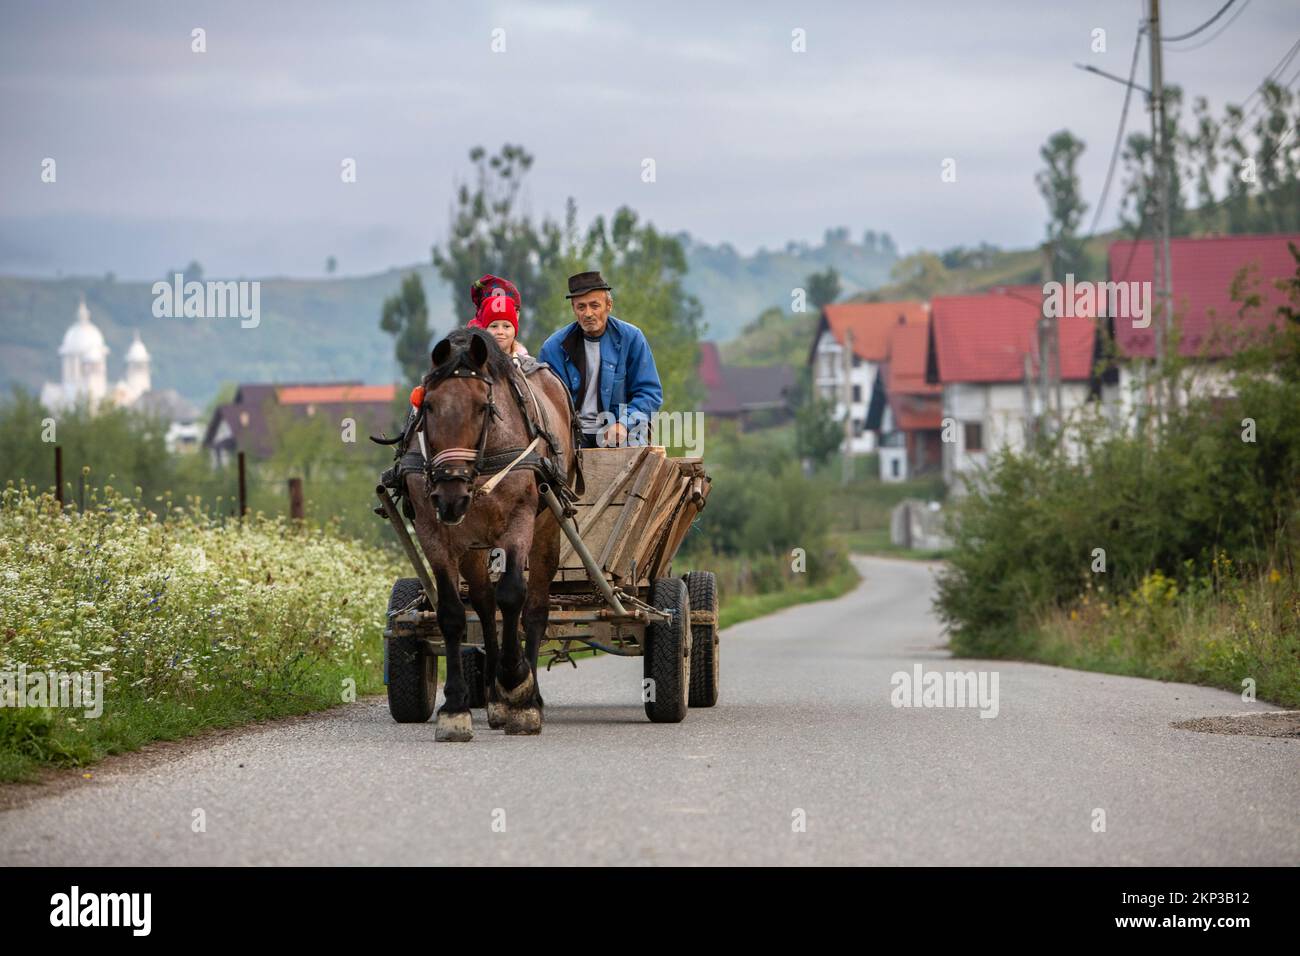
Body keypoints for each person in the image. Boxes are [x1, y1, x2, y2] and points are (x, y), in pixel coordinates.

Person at [537, 270, 663, 448]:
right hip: (569, 437)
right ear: (574, 309)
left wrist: (624, 424)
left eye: (594, 305)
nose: (588, 313)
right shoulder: (553, 348)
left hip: (621, 436)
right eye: (581, 307)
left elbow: (649, 392)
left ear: (609, 305)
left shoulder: (631, 338)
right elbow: (545, 400)